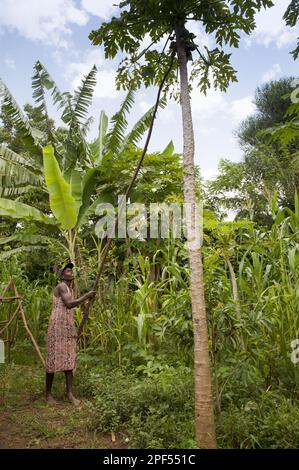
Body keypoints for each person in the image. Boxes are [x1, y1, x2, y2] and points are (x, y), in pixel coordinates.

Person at [45, 262, 95, 406]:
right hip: (57, 328)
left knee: (69, 358)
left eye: (71, 270)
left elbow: (73, 303)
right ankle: (48, 395)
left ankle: (69, 394)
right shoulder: (61, 286)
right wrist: (86, 296)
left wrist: (88, 299)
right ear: (62, 275)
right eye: (67, 270)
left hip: (67, 327)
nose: (71, 272)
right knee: (52, 359)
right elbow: (69, 304)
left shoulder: (69, 288)